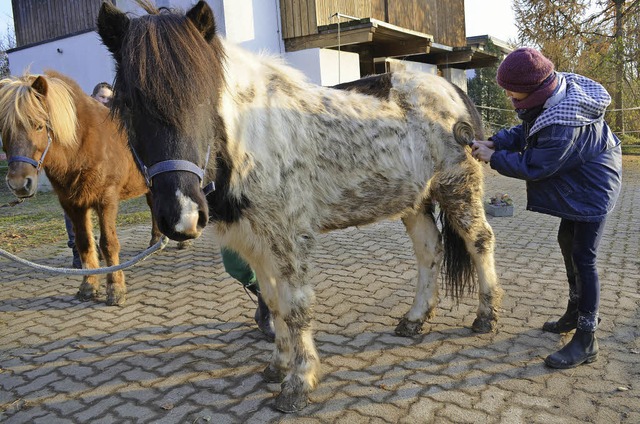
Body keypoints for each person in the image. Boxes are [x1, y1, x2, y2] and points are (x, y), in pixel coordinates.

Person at [471, 47, 622, 369]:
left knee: (585, 257)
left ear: (534, 87)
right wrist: (496, 142)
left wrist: (493, 158)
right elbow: (528, 130)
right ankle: (573, 310)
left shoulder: (564, 123)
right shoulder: (551, 96)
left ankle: (587, 338)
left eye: (511, 90)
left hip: (593, 187)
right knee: (567, 242)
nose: (508, 95)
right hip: (580, 181)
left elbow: (535, 165)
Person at [63, 82, 115, 268]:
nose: (106, 101)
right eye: (103, 97)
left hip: (100, 176)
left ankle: (99, 249)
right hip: (77, 174)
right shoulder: (80, 117)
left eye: (110, 98)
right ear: (93, 96)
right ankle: (78, 252)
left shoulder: (110, 121)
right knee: (73, 211)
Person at [221, 247, 275, 341]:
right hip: (230, 232)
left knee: (264, 263)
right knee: (234, 265)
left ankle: (265, 313)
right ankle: (267, 300)